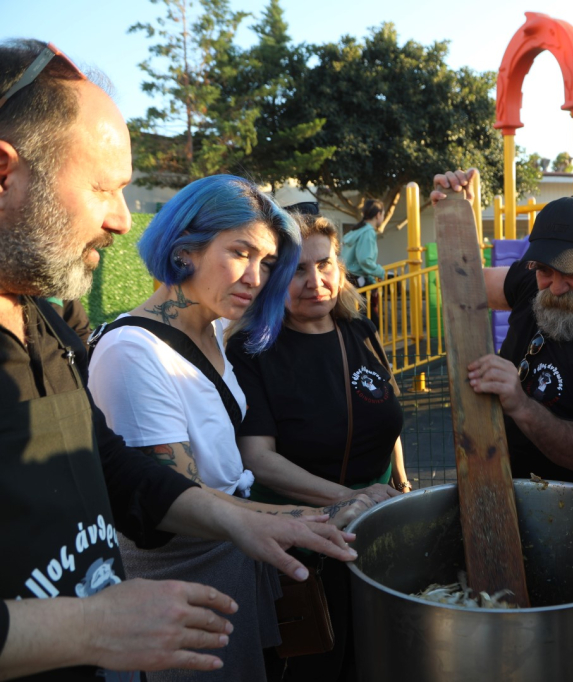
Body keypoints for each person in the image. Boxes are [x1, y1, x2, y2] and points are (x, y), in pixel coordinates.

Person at [0, 39, 358, 681]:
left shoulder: (43, 321)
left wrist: (260, 522)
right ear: (3, 175)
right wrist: (85, 625)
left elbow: (115, 467)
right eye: (103, 187)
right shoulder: (132, 348)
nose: (120, 220)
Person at [87, 176, 376, 682]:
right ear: (184, 250)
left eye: (267, 263)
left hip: (235, 567)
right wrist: (321, 512)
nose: (257, 277)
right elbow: (177, 501)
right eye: (241, 252)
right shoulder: (133, 352)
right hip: (180, 585)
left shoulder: (214, 329)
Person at [228, 206, 409, 681]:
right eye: (296, 270)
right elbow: (257, 459)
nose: (315, 281)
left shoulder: (361, 331)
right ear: (271, 279)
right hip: (303, 547)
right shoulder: (252, 352)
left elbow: (385, 414)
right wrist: (353, 499)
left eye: (324, 264)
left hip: (377, 532)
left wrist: (399, 480)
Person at [432, 170, 573, 494]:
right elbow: (464, 284)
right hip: (497, 488)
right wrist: (458, 221)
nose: (558, 287)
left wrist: (520, 404)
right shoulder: (531, 279)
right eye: (547, 271)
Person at [342, 199, 386, 329]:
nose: (382, 218)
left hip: (348, 278)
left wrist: (372, 281)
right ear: (378, 214)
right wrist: (380, 271)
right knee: (370, 324)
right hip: (356, 280)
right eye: (383, 214)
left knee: (358, 321)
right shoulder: (368, 232)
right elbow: (365, 260)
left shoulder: (357, 230)